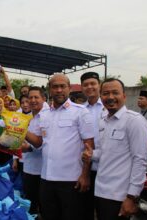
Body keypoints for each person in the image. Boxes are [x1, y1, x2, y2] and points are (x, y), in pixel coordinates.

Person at [26, 74, 95, 220]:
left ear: (69, 89)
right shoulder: (44, 115)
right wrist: (21, 130)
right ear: (49, 90)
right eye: (55, 87)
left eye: (62, 86)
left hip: (71, 180)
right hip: (46, 178)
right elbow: (38, 142)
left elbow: (89, 146)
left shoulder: (80, 112)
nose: (59, 90)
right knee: (49, 216)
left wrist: (85, 175)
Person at [84, 78, 147, 220]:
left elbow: (140, 160)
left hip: (120, 195)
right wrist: (91, 154)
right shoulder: (104, 121)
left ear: (124, 96)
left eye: (115, 93)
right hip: (101, 191)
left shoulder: (134, 121)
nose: (110, 97)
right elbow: (106, 152)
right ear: (101, 97)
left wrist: (131, 197)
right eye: (106, 93)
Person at [80, 71, 107, 220]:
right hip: (87, 167)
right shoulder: (80, 110)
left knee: (105, 209)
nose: (89, 87)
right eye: (86, 84)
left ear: (99, 85)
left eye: (93, 84)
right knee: (86, 207)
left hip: (107, 167)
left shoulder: (108, 107)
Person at [18, 86, 49, 217]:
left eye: (36, 97)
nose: (32, 100)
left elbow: (41, 143)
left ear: (44, 99)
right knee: (30, 204)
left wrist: (20, 129)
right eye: (30, 97)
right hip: (29, 167)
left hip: (43, 170)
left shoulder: (47, 116)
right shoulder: (30, 117)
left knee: (44, 205)